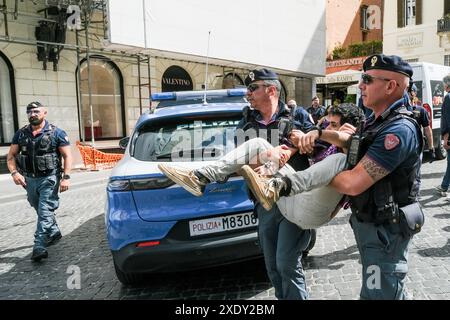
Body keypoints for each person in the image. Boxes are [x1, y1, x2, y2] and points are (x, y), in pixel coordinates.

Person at [245, 55, 423, 300]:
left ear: (391, 86)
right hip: (372, 226)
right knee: (383, 291)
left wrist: (314, 174)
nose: (361, 86)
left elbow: (352, 183)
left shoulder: (398, 130)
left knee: (378, 294)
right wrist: (320, 132)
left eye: (367, 80)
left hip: (385, 231)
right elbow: (353, 143)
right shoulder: (375, 121)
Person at [159, 69, 314, 300]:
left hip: (294, 198)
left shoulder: (297, 115)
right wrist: (271, 154)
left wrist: (290, 150)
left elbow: (314, 145)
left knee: (287, 264)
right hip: (266, 203)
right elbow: (243, 159)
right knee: (273, 267)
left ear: (271, 90)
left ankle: (201, 177)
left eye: (252, 88)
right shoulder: (247, 121)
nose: (248, 94)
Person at [6, 101, 72, 262]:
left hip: (49, 178)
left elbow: (67, 156)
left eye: (36, 111)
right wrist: (14, 173)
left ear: (44, 113)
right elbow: (10, 156)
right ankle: (54, 231)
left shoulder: (57, 133)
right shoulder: (21, 134)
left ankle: (39, 245)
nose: (32, 114)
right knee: (41, 210)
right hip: (28, 180)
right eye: (29, 112)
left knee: (45, 211)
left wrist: (66, 177)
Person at [406, 83, 435, 196]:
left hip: (414, 147)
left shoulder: (420, 110)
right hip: (413, 147)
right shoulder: (419, 110)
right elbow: (428, 130)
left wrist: (431, 147)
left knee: (414, 173)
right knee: (414, 173)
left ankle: (413, 195)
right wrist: (431, 148)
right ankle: (412, 195)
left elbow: (428, 130)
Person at [436, 75, 450, 197]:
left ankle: (445, 186)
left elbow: (447, 120)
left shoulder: (448, 97)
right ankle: (445, 186)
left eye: (444, 84)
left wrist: (446, 138)